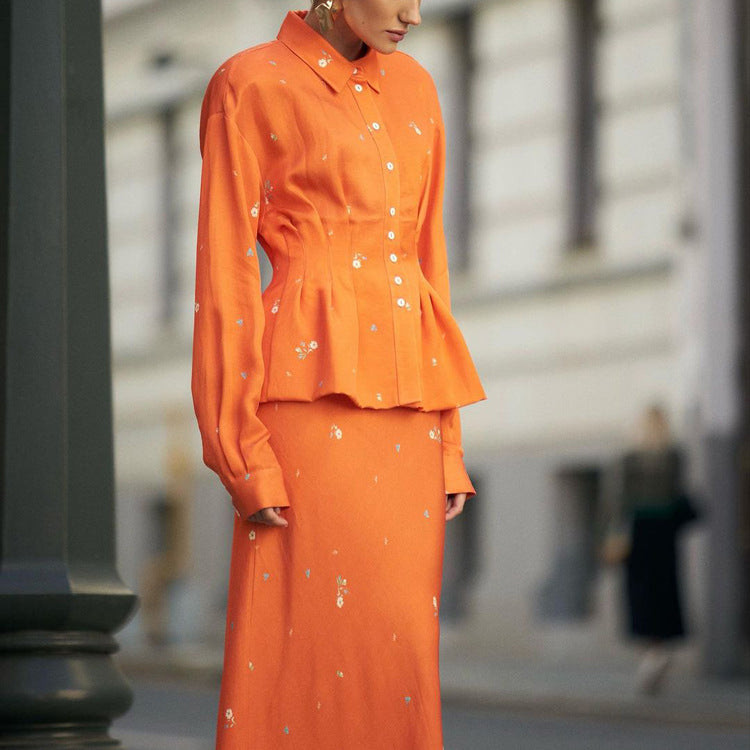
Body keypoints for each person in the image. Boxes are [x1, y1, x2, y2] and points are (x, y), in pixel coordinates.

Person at [190, 2, 487, 747]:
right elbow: (223, 279)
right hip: (304, 410)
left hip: (410, 411)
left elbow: (429, 265)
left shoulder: (417, 88)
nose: (414, 15)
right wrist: (241, 454)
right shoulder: (248, 83)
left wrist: (449, 440)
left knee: (402, 654)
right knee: (301, 653)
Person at [599, 404, 701, 695]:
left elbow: (618, 501)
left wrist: (609, 533)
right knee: (665, 593)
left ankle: (649, 656)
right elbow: (679, 494)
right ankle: (660, 651)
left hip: (639, 534)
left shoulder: (631, 458)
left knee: (640, 595)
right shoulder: (673, 456)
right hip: (665, 535)